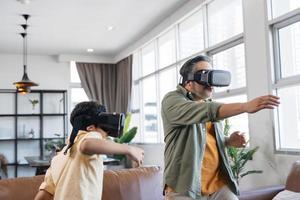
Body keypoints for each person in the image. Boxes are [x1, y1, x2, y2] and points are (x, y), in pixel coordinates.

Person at [161, 55, 280, 200]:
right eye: (205, 76)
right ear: (188, 81)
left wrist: (228, 141)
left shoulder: (208, 103)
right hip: (184, 187)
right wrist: (244, 106)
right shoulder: (172, 100)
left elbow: (205, 139)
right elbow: (206, 111)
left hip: (217, 184)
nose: (211, 82)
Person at [34, 101, 144, 200]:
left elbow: (44, 194)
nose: (106, 134)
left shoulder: (59, 157)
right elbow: (86, 145)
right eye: (104, 128)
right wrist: (129, 149)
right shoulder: (91, 136)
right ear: (91, 127)